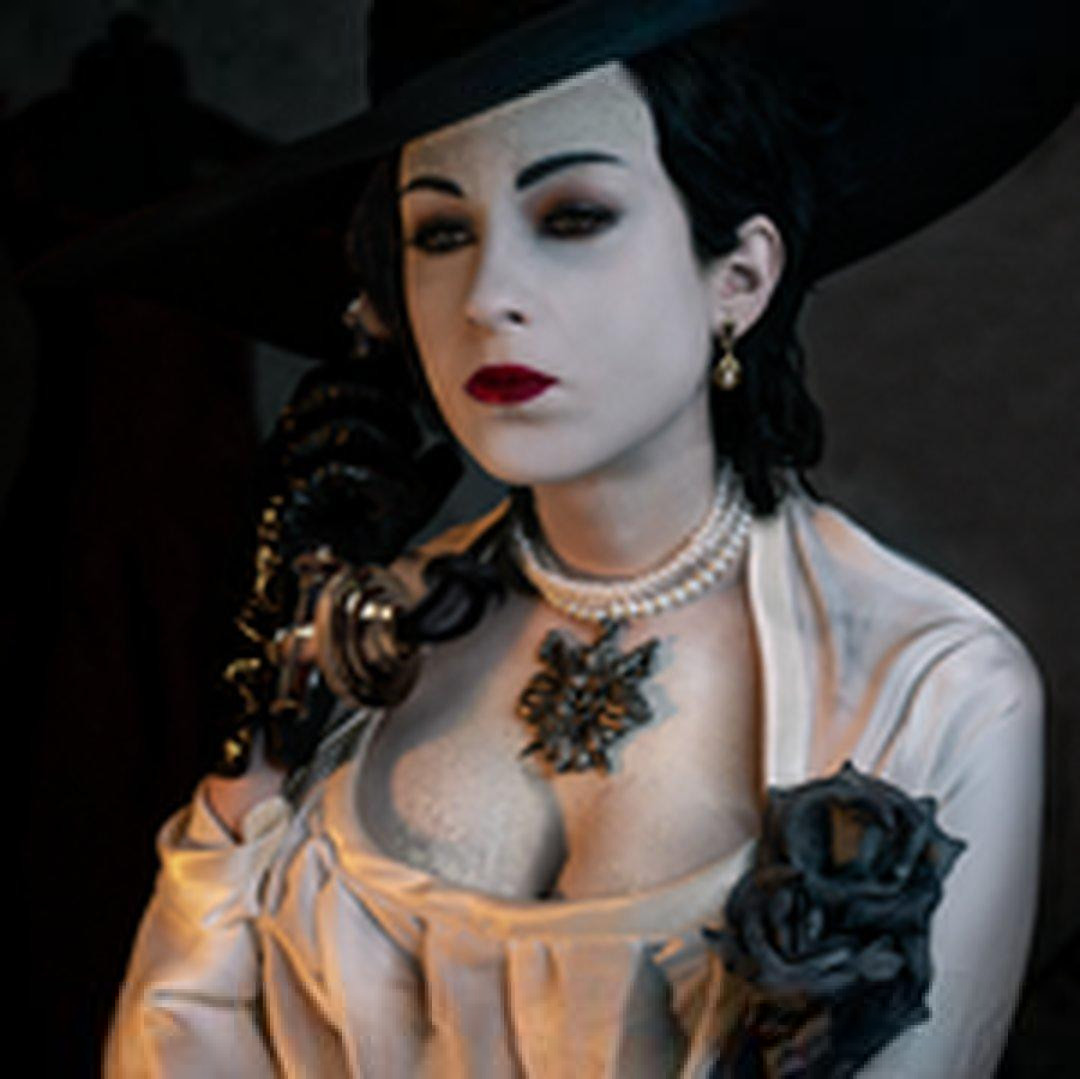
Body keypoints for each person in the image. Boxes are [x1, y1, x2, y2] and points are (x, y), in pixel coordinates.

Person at [52, 1, 1070, 1075]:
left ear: (740, 275)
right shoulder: (342, 644)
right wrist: (263, 728)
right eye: (441, 233)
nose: (489, 297)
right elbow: (172, 1032)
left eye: (574, 216)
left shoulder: (934, 686)